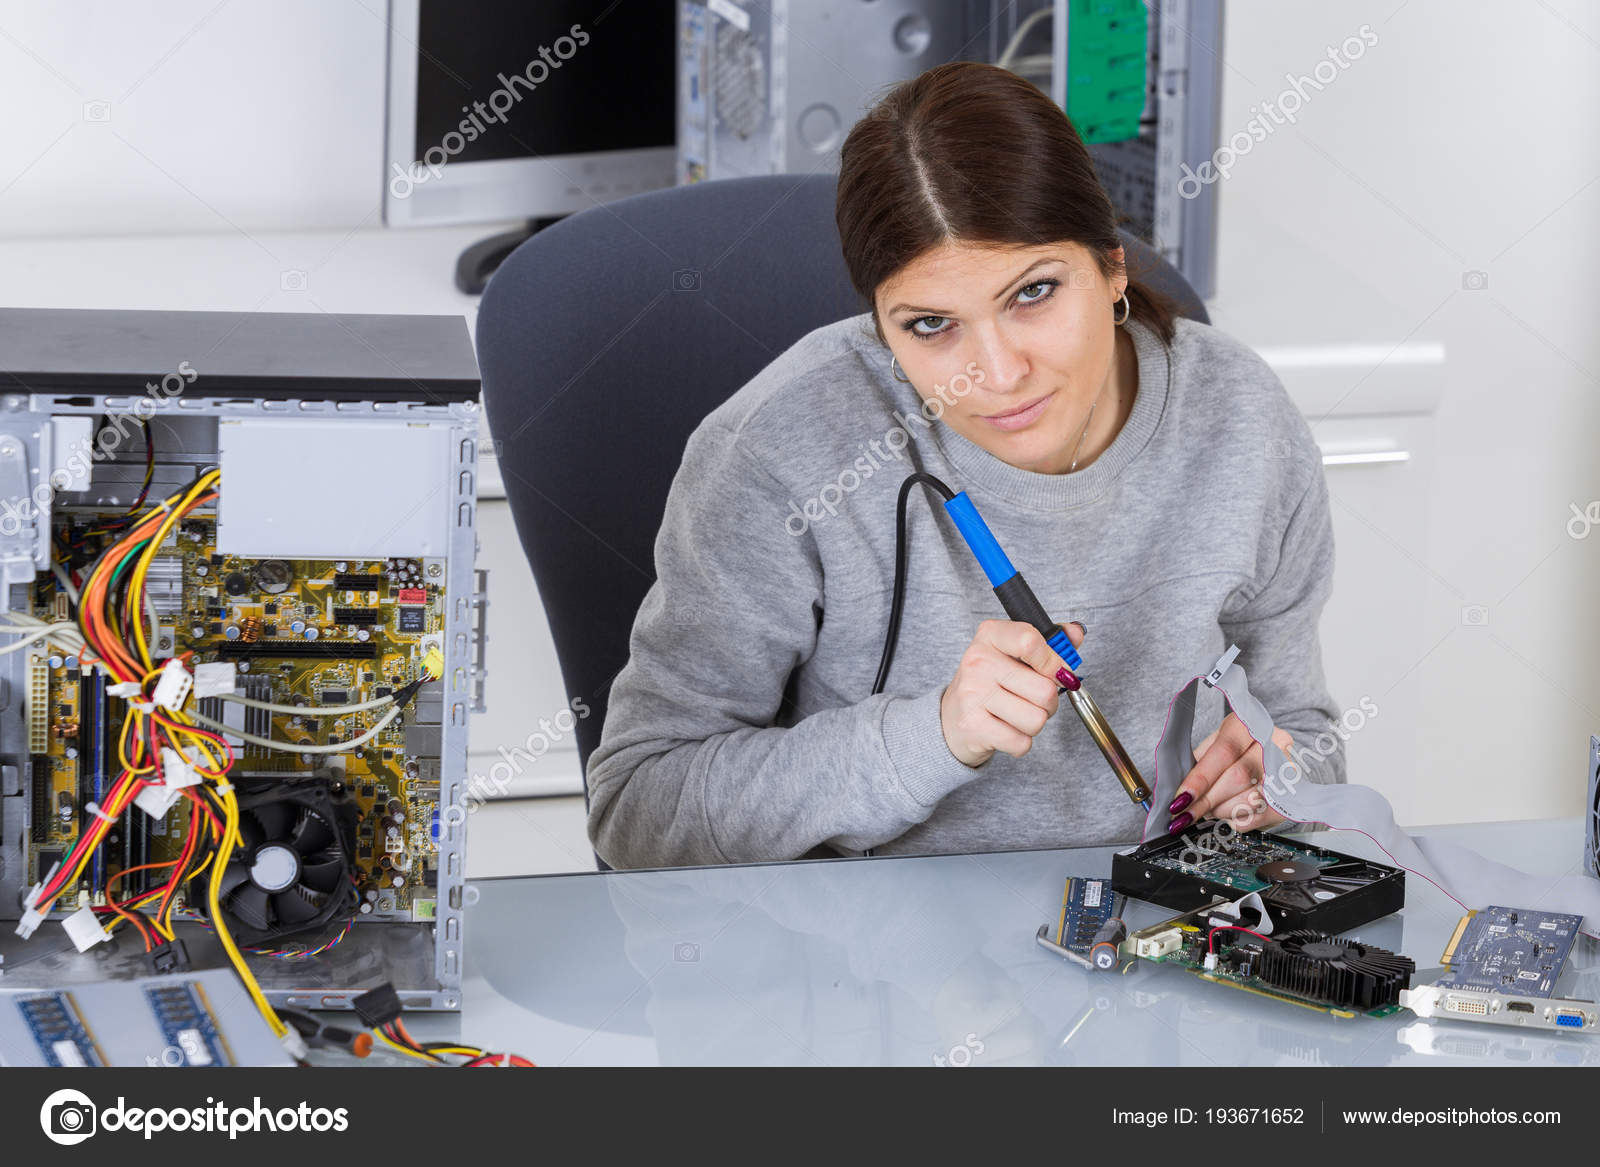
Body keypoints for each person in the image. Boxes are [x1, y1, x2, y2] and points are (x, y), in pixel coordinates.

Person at [586, 62, 1343, 869]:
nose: (998, 373)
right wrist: (936, 732)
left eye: (1034, 292)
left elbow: (1310, 735)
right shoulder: (776, 452)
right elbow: (638, 809)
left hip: (1157, 948)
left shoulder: (1242, 416)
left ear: (1112, 269)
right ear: (879, 327)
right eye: (931, 324)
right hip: (867, 970)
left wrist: (1279, 779)